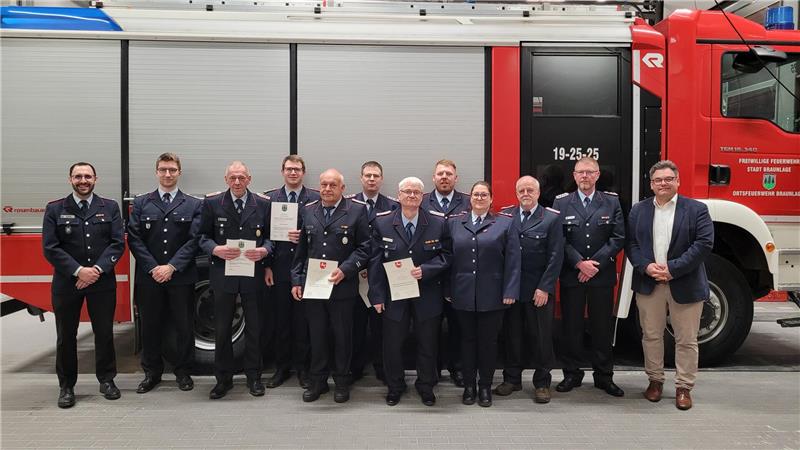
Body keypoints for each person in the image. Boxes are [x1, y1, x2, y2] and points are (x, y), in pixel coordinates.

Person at [627, 160, 713, 411]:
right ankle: (655, 381)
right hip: (649, 282)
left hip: (684, 282)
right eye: (658, 180)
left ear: (678, 181)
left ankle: (684, 387)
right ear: (651, 184)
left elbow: (704, 244)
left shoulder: (697, 209)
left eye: (668, 179)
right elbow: (631, 244)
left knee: (686, 339)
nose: (663, 184)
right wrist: (646, 267)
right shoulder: (638, 210)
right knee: (651, 336)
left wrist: (673, 269)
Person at [42, 162, 125, 408]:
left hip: (101, 281)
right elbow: (50, 247)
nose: (83, 180)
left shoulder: (109, 207)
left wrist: (96, 270)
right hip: (68, 283)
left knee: (104, 333)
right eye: (78, 176)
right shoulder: (55, 208)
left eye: (87, 176)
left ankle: (107, 380)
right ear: (70, 180)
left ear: (95, 179)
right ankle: (66, 387)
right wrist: (79, 271)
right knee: (66, 336)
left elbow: (117, 243)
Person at [368, 177, 451, 406]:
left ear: (422, 196)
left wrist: (427, 269)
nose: (412, 196)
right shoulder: (382, 222)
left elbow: (447, 255)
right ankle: (395, 386)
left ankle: (426, 385)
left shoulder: (437, 222)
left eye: (416, 192)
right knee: (392, 344)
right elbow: (374, 261)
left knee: (428, 343)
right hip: (394, 296)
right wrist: (376, 295)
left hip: (427, 293)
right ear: (399, 194)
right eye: (407, 192)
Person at [291, 169, 371, 403]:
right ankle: (318, 382)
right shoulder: (308, 211)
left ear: (342, 188)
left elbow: (365, 247)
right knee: (317, 335)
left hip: (342, 287)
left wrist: (346, 269)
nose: (327, 189)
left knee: (342, 336)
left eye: (332, 185)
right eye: (324, 184)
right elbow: (301, 251)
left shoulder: (357, 210)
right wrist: (297, 279)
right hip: (314, 286)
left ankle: (342, 382)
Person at [127, 153, 202, 394]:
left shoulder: (193, 204)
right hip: (149, 278)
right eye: (163, 170)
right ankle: (152, 373)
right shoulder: (141, 203)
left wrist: (171, 267)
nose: (167, 174)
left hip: (180, 277)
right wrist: (154, 267)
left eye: (171, 170)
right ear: (156, 172)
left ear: (179, 172)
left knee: (183, 326)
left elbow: (194, 240)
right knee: (151, 326)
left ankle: (183, 371)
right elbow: (135, 239)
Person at [198, 161, 272, 399]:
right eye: (233, 178)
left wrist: (265, 251)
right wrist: (215, 249)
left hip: (253, 275)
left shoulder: (262, 204)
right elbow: (200, 236)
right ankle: (223, 379)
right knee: (222, 330)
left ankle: (254, 378)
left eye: (241, 178)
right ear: (226, 179)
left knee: (255, 328)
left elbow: (272, 238)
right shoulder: (212, 203)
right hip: (223, 275)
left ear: (249, 178)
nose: (237, 182)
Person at [552, 157, 625, 397]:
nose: (585, 176)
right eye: (580, 172)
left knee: (601, 328)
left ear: (597, 175)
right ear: (573, 176)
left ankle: (604, 377)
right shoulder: (561, 202)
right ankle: (572, 374)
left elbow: (617, 238)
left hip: (601, 276)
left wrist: (595, 264)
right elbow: (558, 240)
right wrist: (579, 264)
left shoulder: (611, 202)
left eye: (590, 172)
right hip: (573, 276)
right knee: (571, 328)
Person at [446, 181, 520, 407]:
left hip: (493, 294)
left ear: (491, 199)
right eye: (476, 194)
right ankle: (469, 386)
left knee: (488, 343)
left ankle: (485, 386)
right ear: (470, 198)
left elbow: (514, 260)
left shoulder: (505, 223)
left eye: (484, 195)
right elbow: (448, 260)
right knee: (466, 341)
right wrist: (448, 290)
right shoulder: (455, 223)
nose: (479, 198)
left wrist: (510, 290)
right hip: (463, 293)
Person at [494, 176, 564, 404]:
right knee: (512, 335)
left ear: (538, 192)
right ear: (516, 193)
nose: (525, 193)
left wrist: (545, 287)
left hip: (538, 290)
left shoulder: (551, 218)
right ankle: (512, 378)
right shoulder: (505, 216)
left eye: (530, 190)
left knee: (541, 337)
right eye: (521, 190)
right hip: (512, 290)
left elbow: (556, 256)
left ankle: (542, 382)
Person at [262, 155, 320, 389]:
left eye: (297, 169)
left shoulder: (315, 197)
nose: (293, 173)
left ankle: (303, 369)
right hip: (279, 268)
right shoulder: (269, 198)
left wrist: (305, 236)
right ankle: (282, 368)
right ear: (282, 172)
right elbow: (263, 233)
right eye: (289, 169)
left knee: (303, 322)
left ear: (304, 172)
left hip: (308, 270)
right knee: (280, 321)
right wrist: (266, 265)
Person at [421, 159, 471, 387]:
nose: (444, 177)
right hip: (428, 277)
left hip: (459, 276)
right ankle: (432, 371)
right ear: (433, 178)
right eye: (440, 173)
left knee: (458, 327)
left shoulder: (469, 202)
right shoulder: (420, 201)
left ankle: (458, 368)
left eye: (448, 174)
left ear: (455, 178)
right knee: (428, 329)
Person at [349, 161, 399, 382]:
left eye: (375, 176)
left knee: (380, 326)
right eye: (368, 175)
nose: (371, 179)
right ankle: (355, 367)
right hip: (353, 275)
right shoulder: (348, 204)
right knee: (354, 325)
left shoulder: (393, 206)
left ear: (381, 179)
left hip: (382, 276)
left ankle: (381, 367)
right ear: (361, 178)